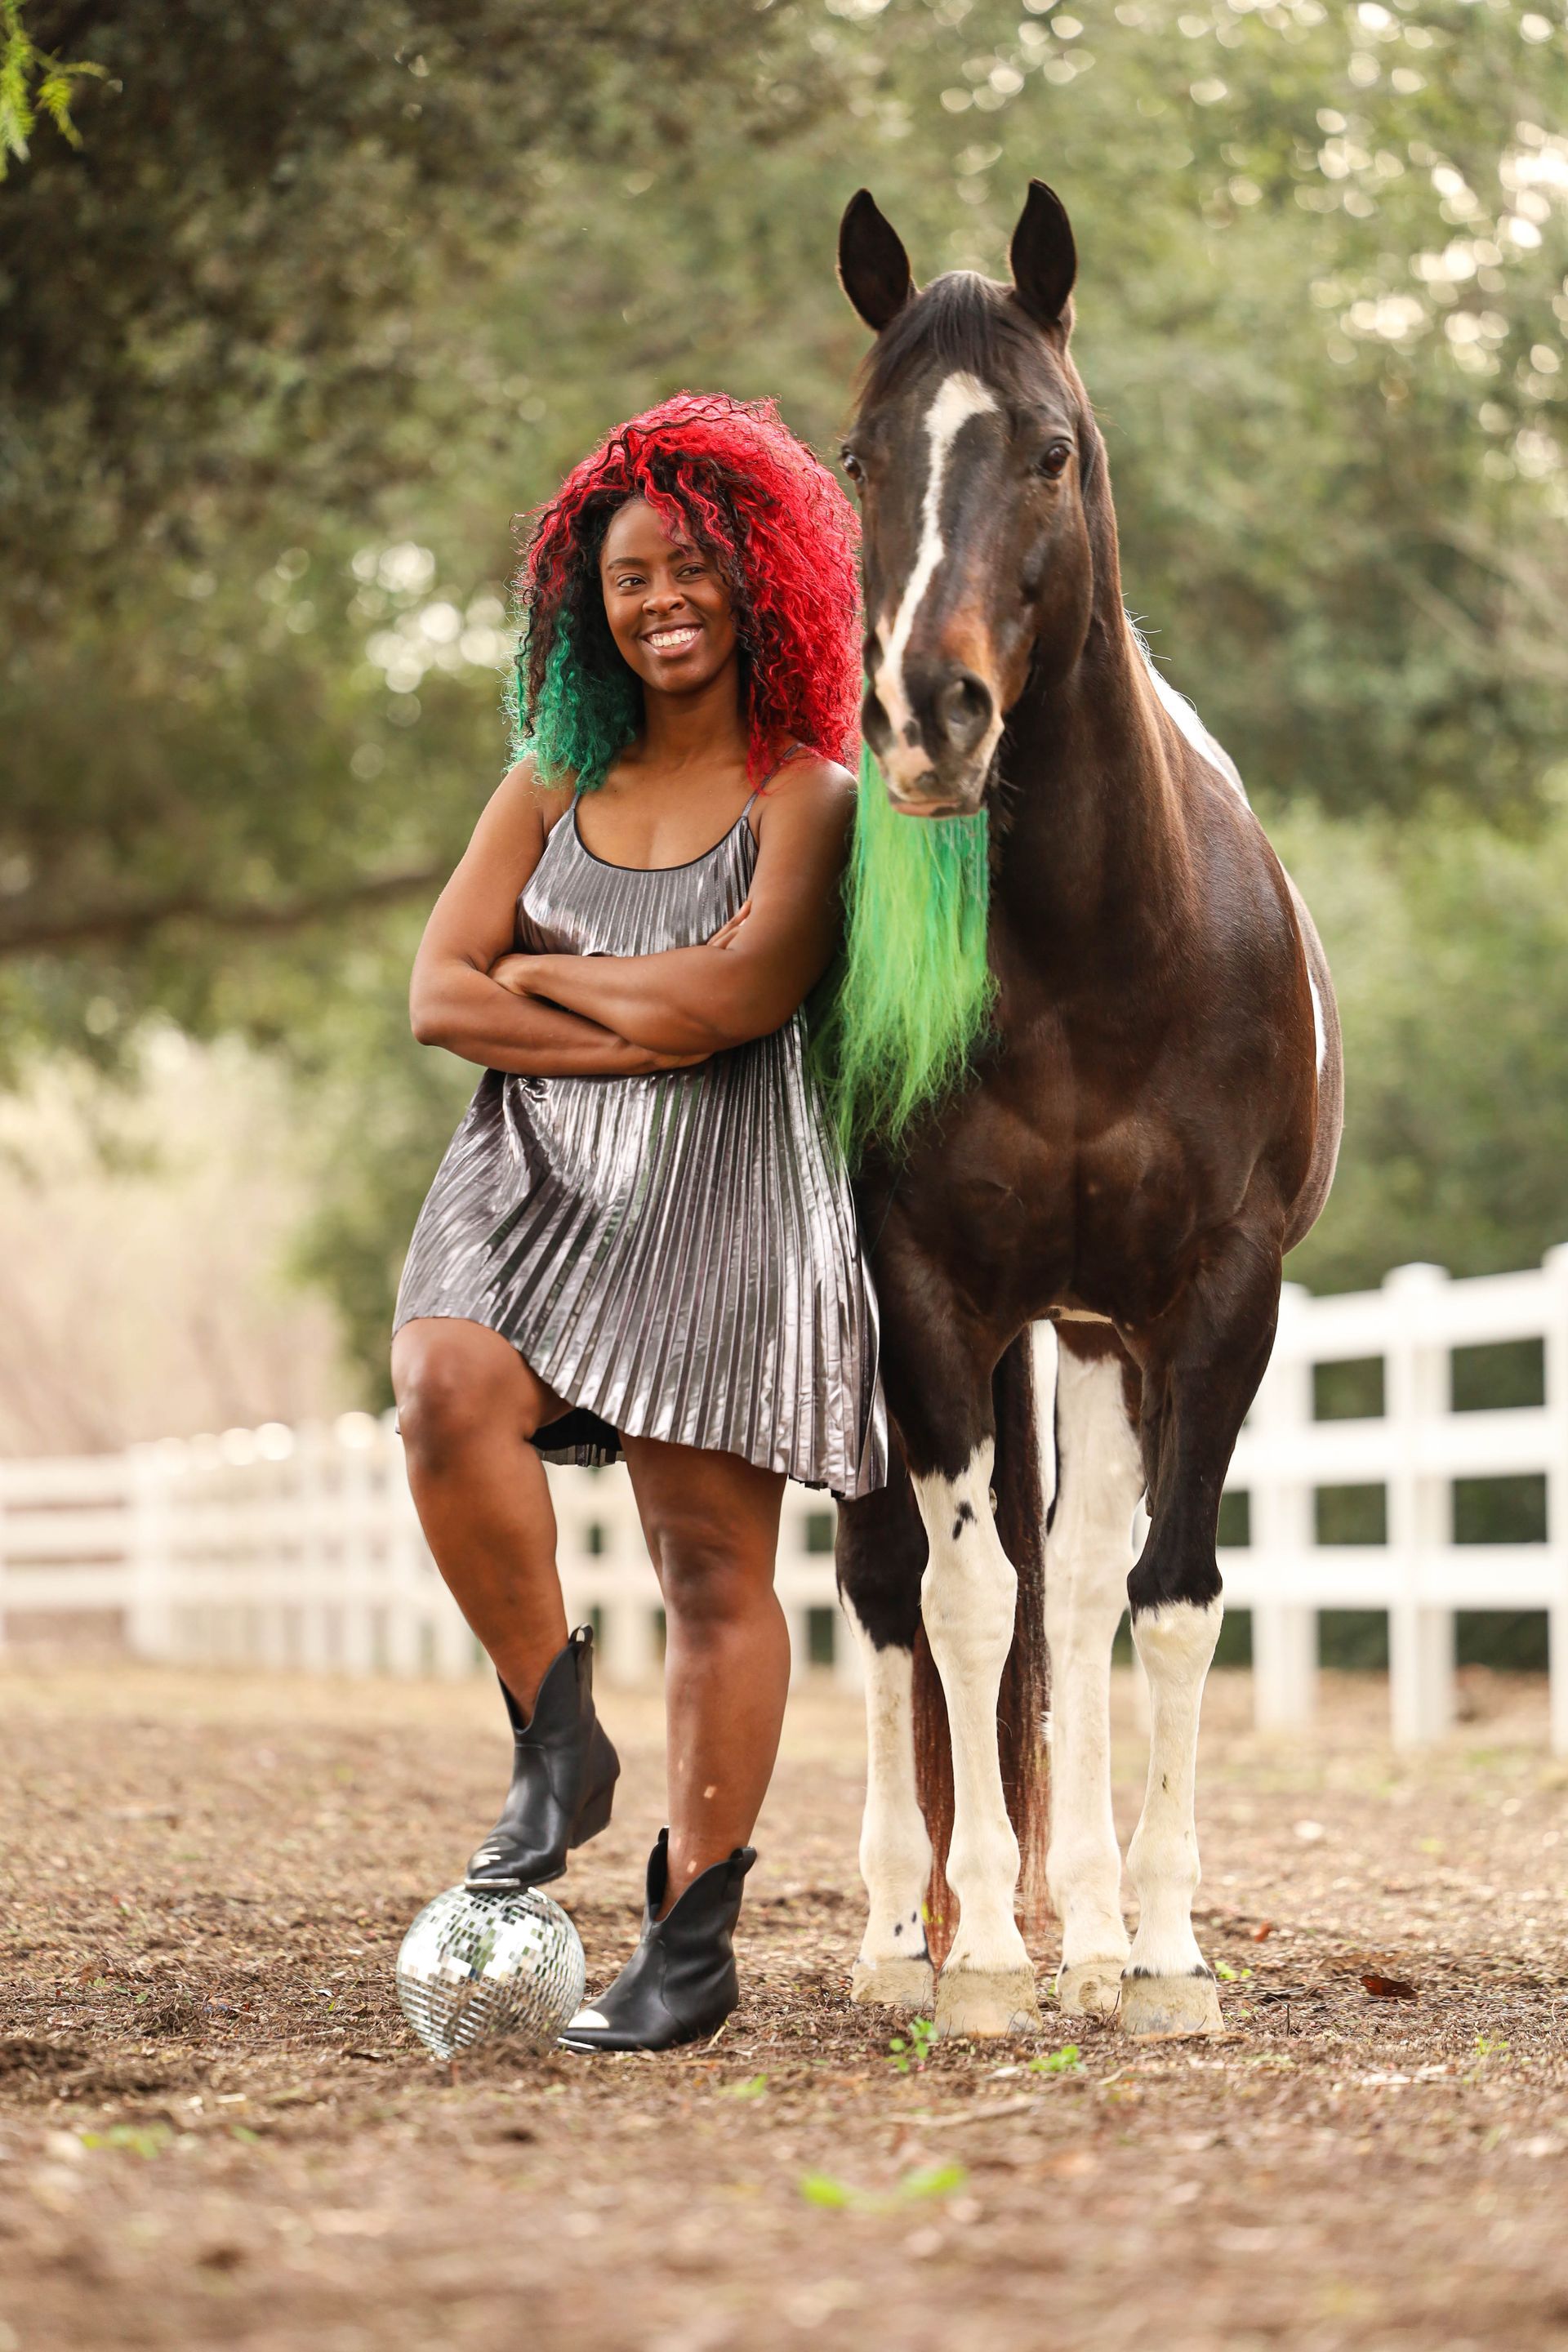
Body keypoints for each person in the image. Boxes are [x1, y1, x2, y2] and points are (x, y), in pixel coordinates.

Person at [390, 394, 887, 2051]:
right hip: (531, 1176)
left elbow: (744, 1001)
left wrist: (542, 971)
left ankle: (690, 1939)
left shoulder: (809, 795)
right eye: (624, 576)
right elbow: (437, 998)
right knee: (443, 1387)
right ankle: (556, 1740)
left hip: (724, 1196)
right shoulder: (549, 778)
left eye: (690, 567)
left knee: (711, 1570)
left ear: (758, 582)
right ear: (583, 605)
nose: (659, 598)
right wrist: (619, 1010)